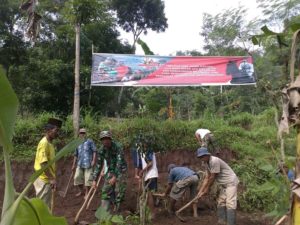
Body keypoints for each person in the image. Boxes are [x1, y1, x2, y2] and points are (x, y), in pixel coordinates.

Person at [196, 147, 239, 225]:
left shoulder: (214, 161)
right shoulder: (206, 163)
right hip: (224, 185)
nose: (202, 159)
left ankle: (230, 223)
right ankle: (222, 222)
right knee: (221, 202)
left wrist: (207, 189)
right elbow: (207, 177)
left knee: (230, 203)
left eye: (203, 156)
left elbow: (213, 177)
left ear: (207, 155)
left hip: (231, 182)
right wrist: (200, 191)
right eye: (200, 157)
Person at [92, 130, 127, 212]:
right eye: (103, 139)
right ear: (101, 140)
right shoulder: (101, 150)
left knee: (119, 190)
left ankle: (117, 209)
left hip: (121, 169)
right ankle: (104, 212)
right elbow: (98, 165)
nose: (105, 141)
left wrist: (115, 177)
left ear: (110, 139)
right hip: (111, 170)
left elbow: (119, 162)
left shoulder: (118, 147)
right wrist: (94, 180)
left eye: (107, 139)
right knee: (105, 190)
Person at [33, 118, 62, 209]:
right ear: (49, 130)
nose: (57, 133)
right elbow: (43, 164)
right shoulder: (44, 143)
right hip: (43, 180)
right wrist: (51, 179)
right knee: (43, 208)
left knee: (46, 207)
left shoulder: (50, 144)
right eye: (56, 130)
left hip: (47, 180)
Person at [131, 134, 158, 218]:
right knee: (147, 193)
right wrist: (139, 173)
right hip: (148, 175)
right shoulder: (143, 151)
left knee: (149, 194)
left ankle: (152, 213)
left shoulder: (147, 150)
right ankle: (145, 211)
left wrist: (142, 171)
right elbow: (139, 164)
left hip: (151, 174)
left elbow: (150, 163)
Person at [72, 128, 97, 198]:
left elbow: (94, 150)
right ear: (79, 134)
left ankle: (87, 193)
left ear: (86, 134)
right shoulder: (77, 143)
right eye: (81, 133)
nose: (82, 134)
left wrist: (93, 160)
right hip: (79, 163)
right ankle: (81, 191)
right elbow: (75, 154)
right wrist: (73, 165)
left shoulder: (90, 141)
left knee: (88, 179)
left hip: (88, 163)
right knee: (77, 177)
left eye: (83, 133)